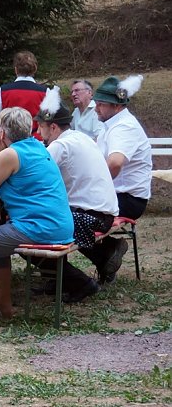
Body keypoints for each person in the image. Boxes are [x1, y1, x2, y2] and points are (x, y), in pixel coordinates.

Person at [0, 107, 73, 326]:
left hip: (39, 227)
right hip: (58, 224)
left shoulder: (11, 154)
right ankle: (4, 303)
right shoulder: (38, 147)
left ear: (1, 132)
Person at [35, 89, 118, 303]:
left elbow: (34, 175)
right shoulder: (79, 137)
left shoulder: (60, 145)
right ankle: (65, 275)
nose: (38, 131)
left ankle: (79, 282)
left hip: (88, 215)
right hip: (104, 212)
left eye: (40, 126)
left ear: (52, 127)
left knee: (28, 230)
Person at [91, 75, 152, 283]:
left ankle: (105, 254)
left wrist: (94, 188)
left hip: (127, 199)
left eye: (100, 104)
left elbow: (115, 163)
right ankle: (107, 252)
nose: (96, 108)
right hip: (120, 195)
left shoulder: (123, 127)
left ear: (116, 106)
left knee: (68, 215)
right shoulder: (113, 124)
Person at [0, 51, 47, 137]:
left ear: (16, 69)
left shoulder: (4, 90)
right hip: (36, 141)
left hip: (10, 143)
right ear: (35, 69)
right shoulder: (44, 92)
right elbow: (48, 120)